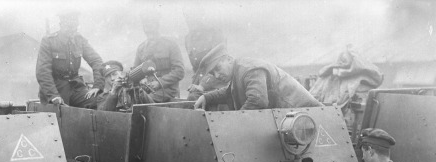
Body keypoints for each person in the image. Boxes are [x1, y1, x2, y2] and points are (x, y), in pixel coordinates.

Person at [193, 55, 321, 111]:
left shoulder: (249, 69)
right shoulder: (238, 70)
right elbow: (229, 92)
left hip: (306, 113)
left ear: (229, 59)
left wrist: (237, 122)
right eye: (212, 73)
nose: (216, 75)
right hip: (289, 115)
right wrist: (206, 97)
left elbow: (257, 101)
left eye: (217, 68)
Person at [36, 10, 104, 108]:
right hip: (56, 89)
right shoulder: (48, 41)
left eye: (74, 28)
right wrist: (53, 95)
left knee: (98, 102)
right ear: (61, 25)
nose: (72, 31)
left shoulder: (79, 40)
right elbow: (43, 72)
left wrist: (98, 85)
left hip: (76, 88)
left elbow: (96, 61)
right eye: (68, 27)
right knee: (63, 114)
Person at [133, 11, 185, 103]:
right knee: (130, 100)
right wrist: (142, 80)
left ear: (157, 25)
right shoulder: (141, 48)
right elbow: (134, 73)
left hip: (167, 90)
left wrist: (159, 82)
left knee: (144, 100)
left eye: (151, 25)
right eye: (146, 26)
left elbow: (179, 71)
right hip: (147, 89)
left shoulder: (170, 44)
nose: (148, 29)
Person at [183, 7, 227, 100]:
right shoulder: (188, 39)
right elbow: (197, 69)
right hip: (198, 87)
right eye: (187, 16)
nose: (189, 19)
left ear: (201, 15)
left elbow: (219, 66)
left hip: (216, 86)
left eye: (193, 15)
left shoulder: (214, 34)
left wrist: (202, 85)